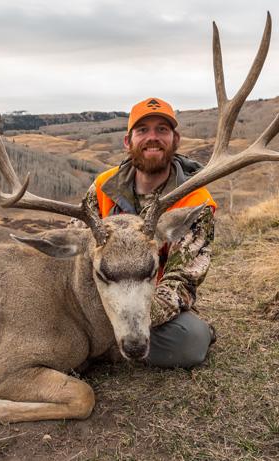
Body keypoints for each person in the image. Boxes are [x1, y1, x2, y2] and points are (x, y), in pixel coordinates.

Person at [82, 97, 217, 368]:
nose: (152, 138)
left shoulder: (195, 202)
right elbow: (79, 250)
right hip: (101, 298)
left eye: (162, 130)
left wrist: (136, 316)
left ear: (175, 139)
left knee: (191, 341)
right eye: (142, 130)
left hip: (151, 306)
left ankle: (100, 344)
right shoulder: (102, 187)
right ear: (127, 141)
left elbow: (183, 280)